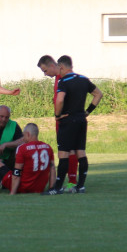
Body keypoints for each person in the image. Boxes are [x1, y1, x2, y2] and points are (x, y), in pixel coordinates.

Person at [48, 55, 102, 194]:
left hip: (68, 120)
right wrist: (87, 111)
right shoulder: (83, 79)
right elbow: (98, 94)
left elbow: (59, 100)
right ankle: (81, 186)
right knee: (80, 152)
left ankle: (57, 188)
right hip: (81, 120)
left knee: (63, 154)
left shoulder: (64, 81)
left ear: (61, 67)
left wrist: (58, 115)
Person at [38, 55, 78, 188]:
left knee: (69, 150)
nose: (45, 74)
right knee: (64, 150)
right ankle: (63, 181)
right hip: (61, 119)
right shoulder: (57, 78)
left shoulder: (64, 77)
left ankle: (72, 182)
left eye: (45, 70)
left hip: (66, 118)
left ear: (52, 66)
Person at [0, 123, 55, 194]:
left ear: (28, 134)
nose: (23, 138)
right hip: (40, 188)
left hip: (23, 187)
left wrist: (12, 193)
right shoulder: (48, 147)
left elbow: (17, 173)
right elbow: (52, 169)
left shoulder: (22, 148)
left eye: (24, 135)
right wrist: (51, 188)